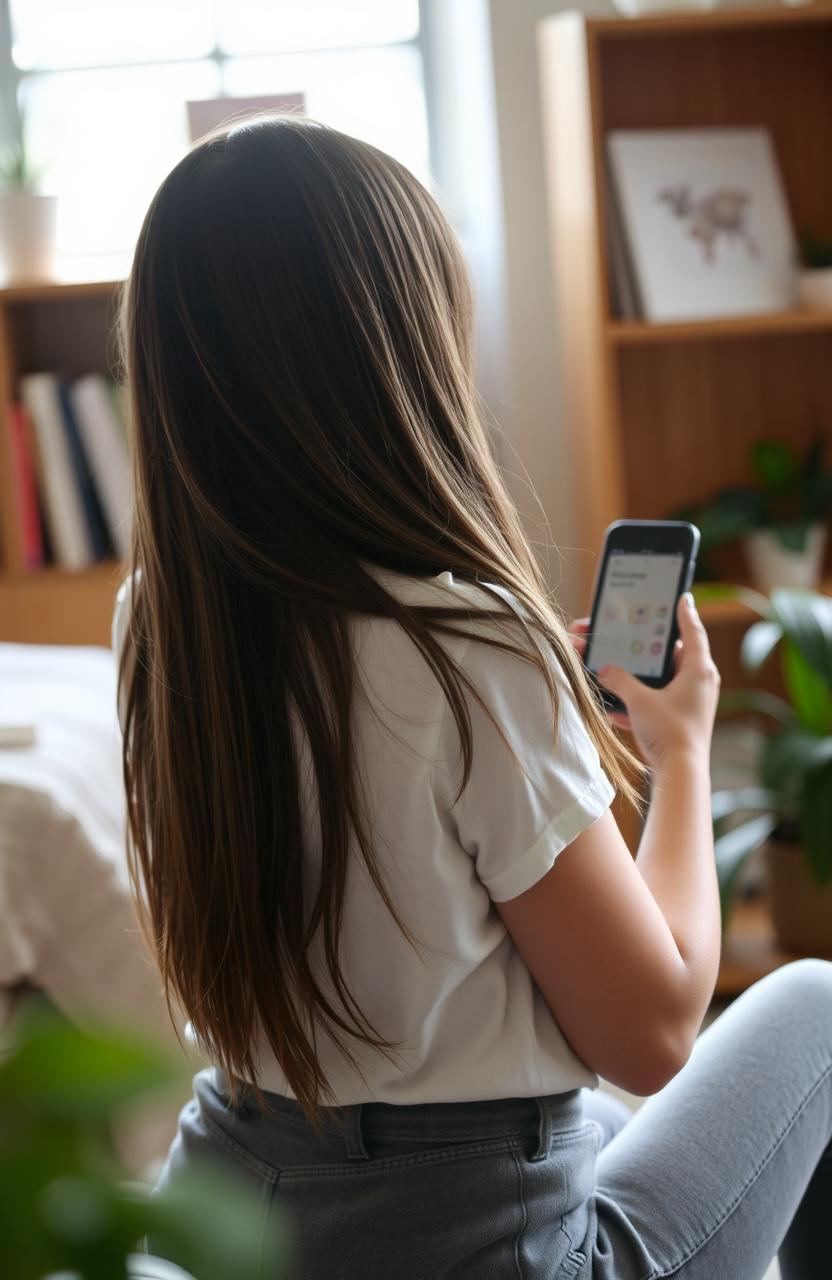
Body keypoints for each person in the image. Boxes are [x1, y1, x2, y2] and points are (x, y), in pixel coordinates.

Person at [114, 116, 831, 1279]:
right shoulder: (461, 645)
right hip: (469, 1241)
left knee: (596, 1125)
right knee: (813, 1007)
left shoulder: (160, 619)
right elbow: (651, 1031)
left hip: (237, 1205)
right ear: (394, 355)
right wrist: (682, 751)